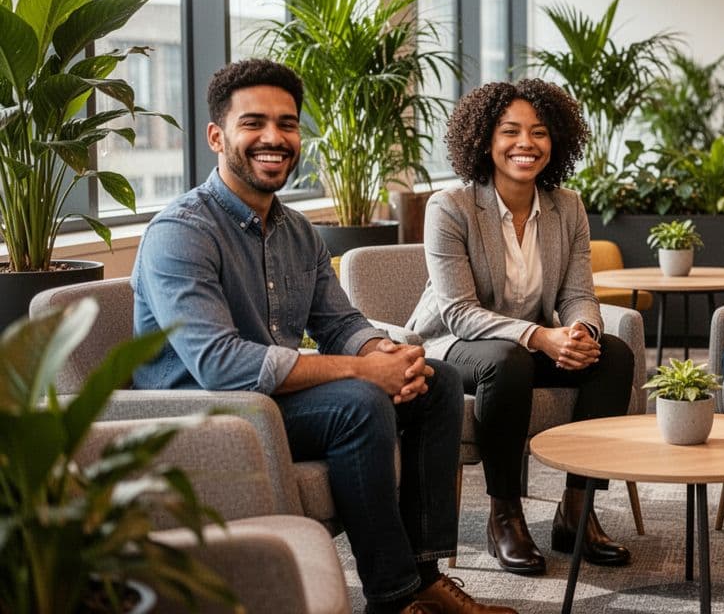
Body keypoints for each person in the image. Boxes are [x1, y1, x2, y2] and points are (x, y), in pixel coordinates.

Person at [132, 59, 512, 614]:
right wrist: (363, 371)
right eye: (254, 123)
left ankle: (426, 577)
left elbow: (337, 322)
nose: (274, 138)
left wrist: (383, 353)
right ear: (217, 136)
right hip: (203, 413)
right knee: (359, 402)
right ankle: (393, 597)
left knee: (437, 381)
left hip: (269, 398)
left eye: (287, 124)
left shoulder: (297, 230)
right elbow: (219, 364)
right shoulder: (181, 233)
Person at [406, 79, 635, 576]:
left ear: (557, 142)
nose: (525, 144)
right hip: (453, 346)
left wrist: (581, 333)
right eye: (510, 131)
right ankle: (504, 516)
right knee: (506, 362)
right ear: (485, 140)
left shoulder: (566, 206)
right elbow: (459, 312)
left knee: (613, 355)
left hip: (530, 341)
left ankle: (577, 511)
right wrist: (540, 337)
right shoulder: (451, 208)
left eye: (539, 132)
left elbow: (578, 295)